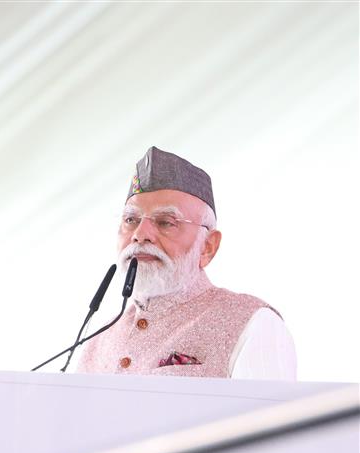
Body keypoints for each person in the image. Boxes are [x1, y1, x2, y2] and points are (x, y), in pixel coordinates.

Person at [77, 146, 296, 379]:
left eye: (165, 222)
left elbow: (271, 415)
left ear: (208, 246)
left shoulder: (252, 323)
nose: (140, 234)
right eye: (131, 220)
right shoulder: (97, 340)